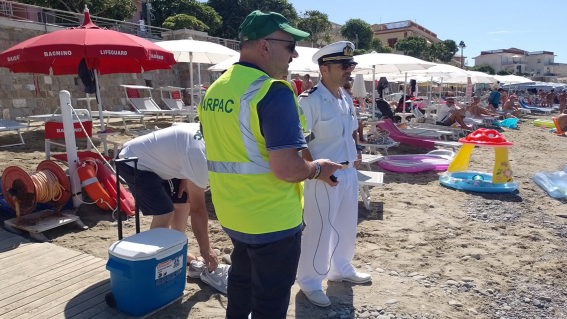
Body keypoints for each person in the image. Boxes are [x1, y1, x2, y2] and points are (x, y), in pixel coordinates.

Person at [197, 11, 341, 319]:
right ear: (265, 46)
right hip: (271, 218)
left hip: (232, 213)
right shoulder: (272, 90)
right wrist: (318, 169)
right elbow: (287, 169)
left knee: (242, 279)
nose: (295, 54)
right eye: (289, 46)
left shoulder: (215, 90)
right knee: (271, 301)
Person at [297, 41, 370, 308]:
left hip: (348, 171)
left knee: (346, 225)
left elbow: (349, 130)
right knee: (319, 230)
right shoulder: (309, 100)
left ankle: (340, 268)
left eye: (351, 65)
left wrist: (356, 151)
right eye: (344, 65)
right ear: (324, 68)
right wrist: (315, 171)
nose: (350, 70)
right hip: (322, 175)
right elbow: (299, 141)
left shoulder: (345, 97)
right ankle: (310, 281)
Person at [115, 124, 227, 292]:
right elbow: (199, 209)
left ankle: (176, 252)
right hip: (133, 160)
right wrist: (205, 248)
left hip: (161, 158)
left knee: (183, 202)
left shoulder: (210, 132)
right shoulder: (199, 156)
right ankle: (157, 260)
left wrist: (185, 176)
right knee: (164, 212)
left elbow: (180, 149)